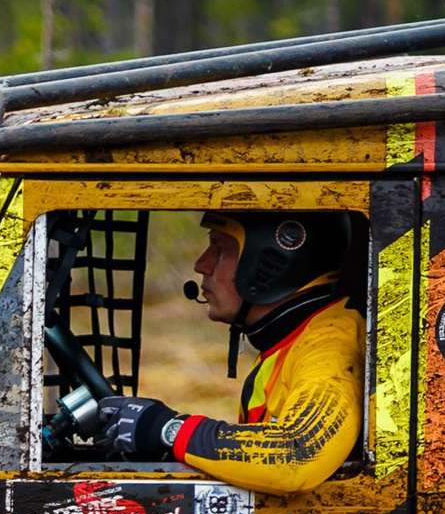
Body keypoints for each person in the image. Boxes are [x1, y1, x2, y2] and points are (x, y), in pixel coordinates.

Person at [95, 212, 364, 494]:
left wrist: (169, 430)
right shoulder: (292, 340)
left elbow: (296, 455)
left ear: (270, 264)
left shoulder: (331, 347)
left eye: (220, 249)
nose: (201, 265)